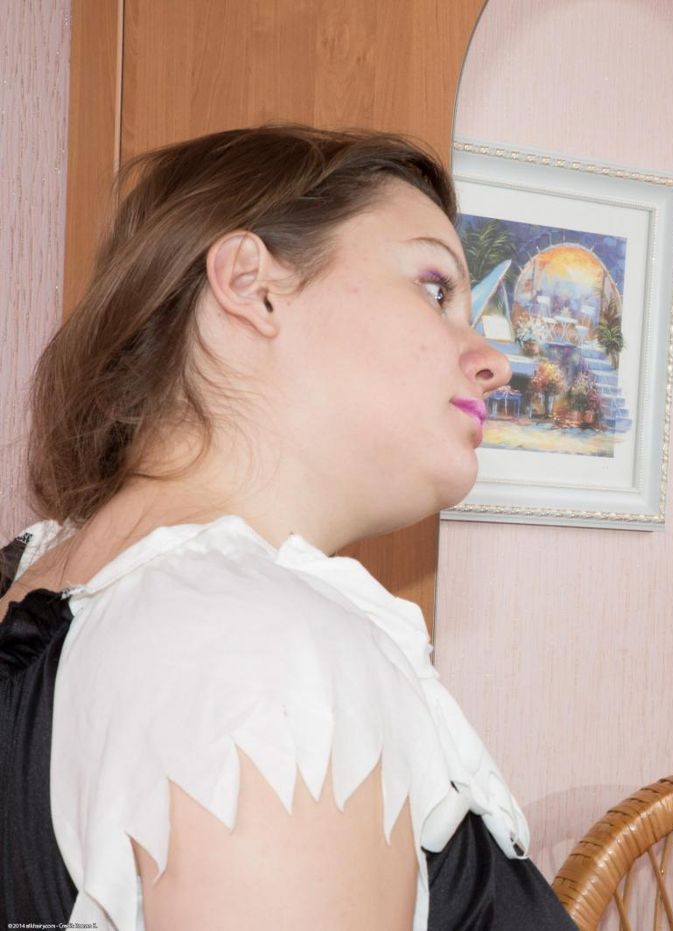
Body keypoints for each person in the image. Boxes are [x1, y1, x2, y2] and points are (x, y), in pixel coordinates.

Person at [0, 126, 576, 930]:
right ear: (252, 285)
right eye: (435, 288)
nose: (492, 359)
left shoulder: (41, 580)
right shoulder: (263, 654)